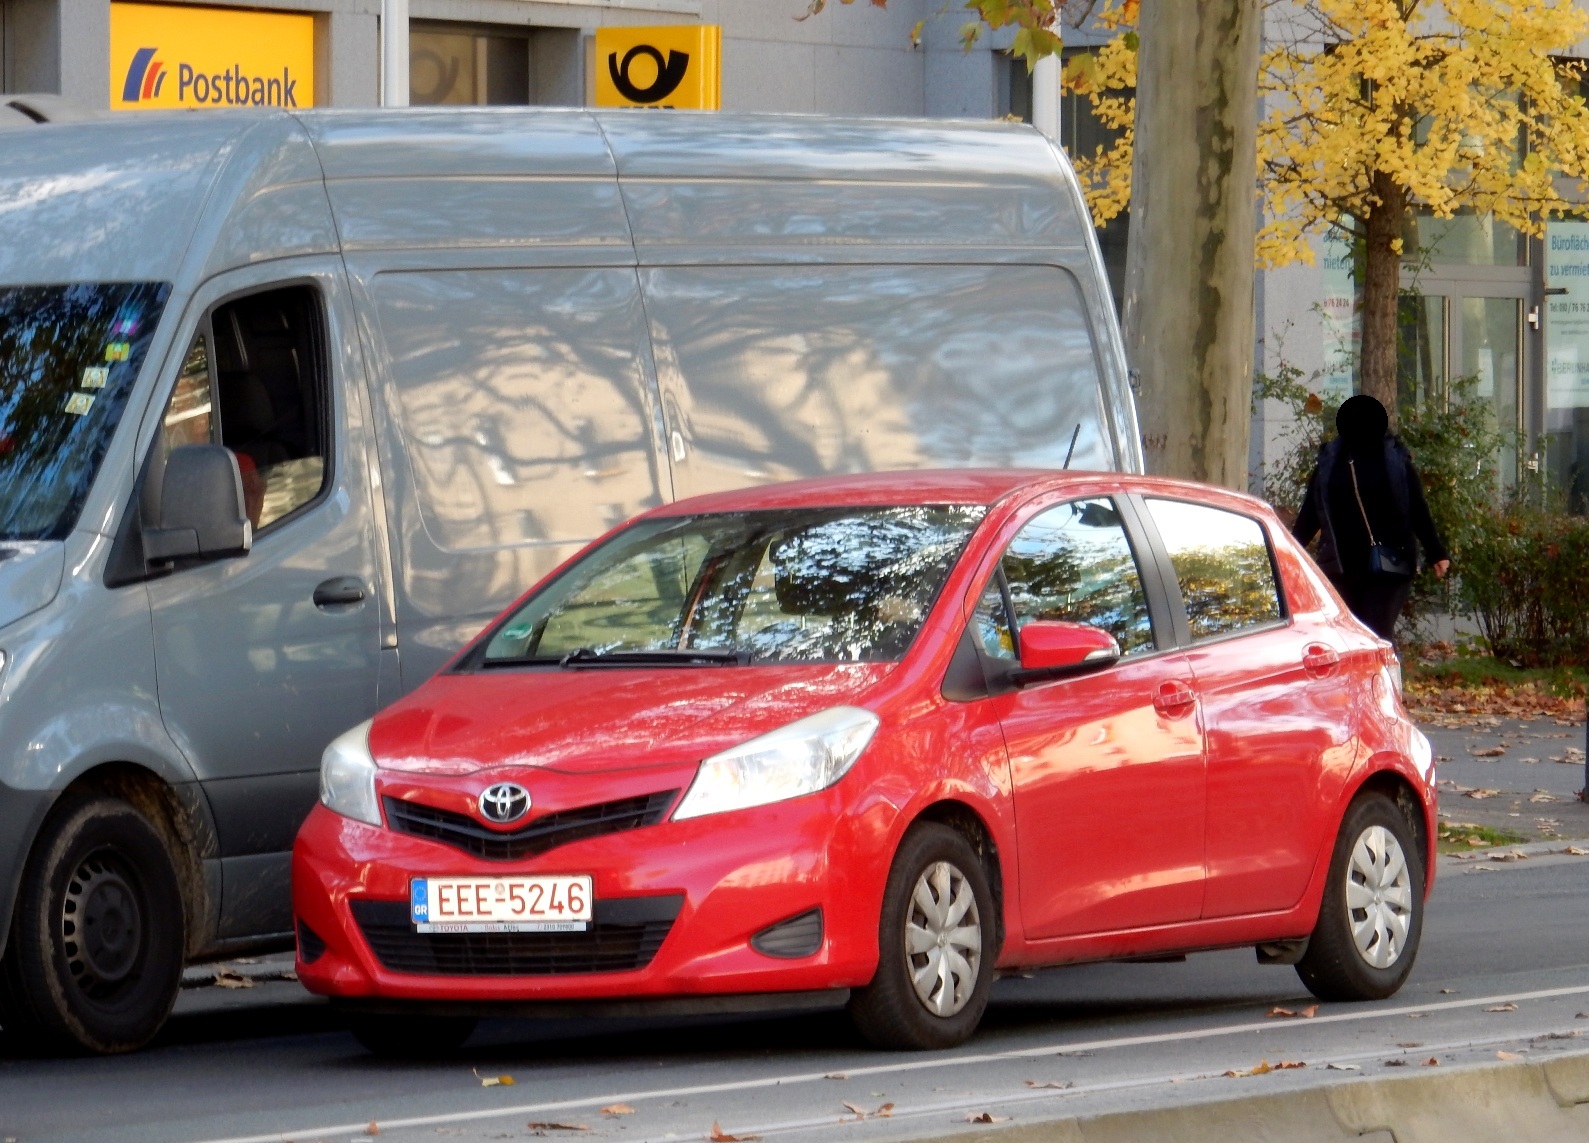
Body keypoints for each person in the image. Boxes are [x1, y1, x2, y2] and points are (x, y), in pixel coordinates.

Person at [1292, 394, 1450, 641]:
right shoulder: (1330, 461)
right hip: (1341, 566)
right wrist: (1290, 553)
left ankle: (1385, 679)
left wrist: (1436, 551)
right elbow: (1311, 512)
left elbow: (1417, 507)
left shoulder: (1396, 460)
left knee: (1376, 634)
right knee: (1347, 639)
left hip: (1389, 565)